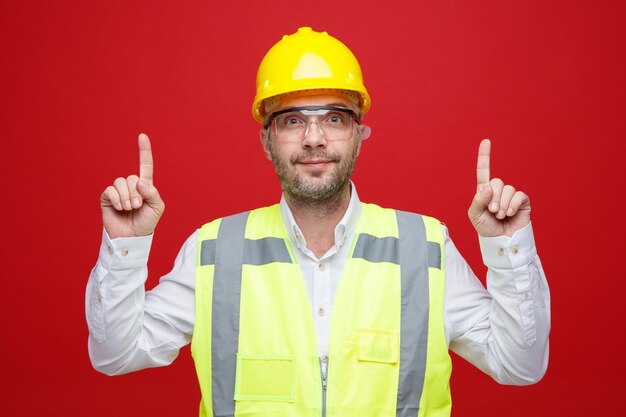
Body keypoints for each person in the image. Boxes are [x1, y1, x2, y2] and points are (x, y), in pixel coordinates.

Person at [86, 27, 550, 417]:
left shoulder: (425, 247)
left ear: (358, 135)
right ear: (267, 140)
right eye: (291, 121)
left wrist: (509, 251)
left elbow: (519, 365)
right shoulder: (214, 250)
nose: (313, 139)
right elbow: (115, 355)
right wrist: (125, 248)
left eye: (333, 117)